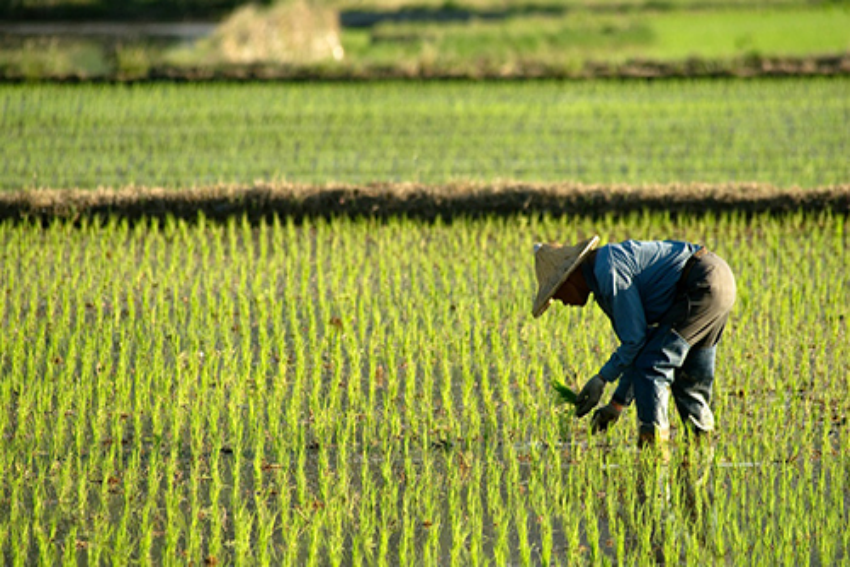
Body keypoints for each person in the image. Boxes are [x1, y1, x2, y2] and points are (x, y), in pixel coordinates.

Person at [532, 235, 736, 450]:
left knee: (653, 366)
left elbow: (636, 343)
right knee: (689, 384)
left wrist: (601, 379)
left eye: (556, 292)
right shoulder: (605, 269)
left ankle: (654, 454)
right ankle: (702, 451)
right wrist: (616, 406)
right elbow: (639, 346)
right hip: (719, 278)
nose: (561, 301)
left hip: (700, 283)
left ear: (569, 278)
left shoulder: (608, 272)